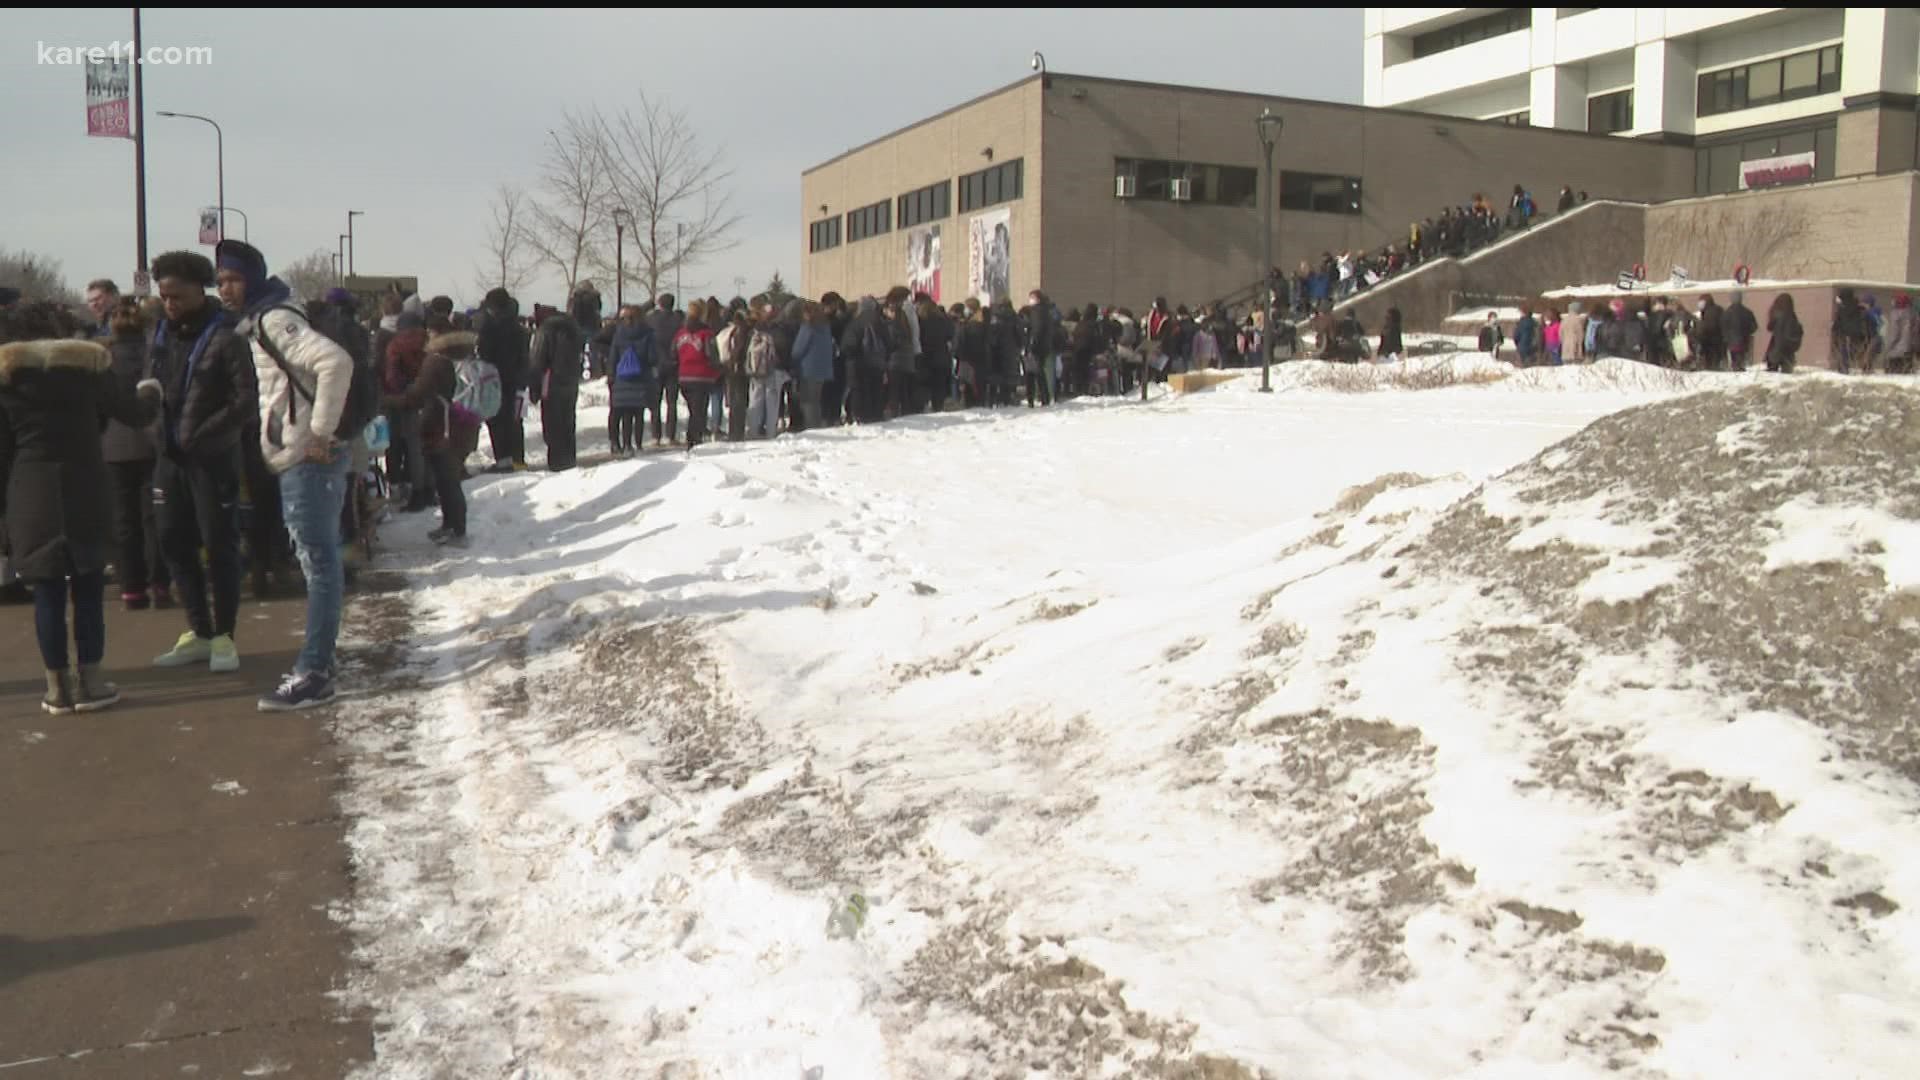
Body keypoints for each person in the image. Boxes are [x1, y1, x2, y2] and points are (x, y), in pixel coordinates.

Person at [1, 301, 165, 712]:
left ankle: (57, 688)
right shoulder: (89, 368)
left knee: (47, 590)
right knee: (89, 584)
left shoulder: (7, 377)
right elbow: (135, 412)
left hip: (30, 487)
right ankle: (92, 681)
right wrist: (151, 389)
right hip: (87, 481)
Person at [215, 239, 357, 711]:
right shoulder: (263, 319)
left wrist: (317, 433)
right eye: (220, 281)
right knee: (320, 561)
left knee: (318, 565)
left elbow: (335, 361)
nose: (225, 289)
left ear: (252, 279)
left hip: (306, 459)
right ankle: (319, 662)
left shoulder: (275, 319)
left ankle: (314, 671)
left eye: (232, 279)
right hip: (299, 456)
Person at [147, 250, 257, 674]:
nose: (169, 303)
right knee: (173, 540)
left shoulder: (227, 334)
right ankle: (200, 630)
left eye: (176, 295)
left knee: (220, 543)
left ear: (199, 289)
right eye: (163, 295)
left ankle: (225, 635)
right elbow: (148, 386)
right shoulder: (158, 334)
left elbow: (244, 400)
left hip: (212, 458)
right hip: (167, 457)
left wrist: (203, 434)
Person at [101, 297, 171, 611]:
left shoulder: (102, 359)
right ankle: (160, 583)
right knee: (154, 518)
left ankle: (131, 587)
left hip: (112, 446)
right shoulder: (155, 354)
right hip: (152, 443)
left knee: (123, 520)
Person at [382, 326, 470, 547]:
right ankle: (452, 525)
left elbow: (417, 394)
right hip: (450, 424)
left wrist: (388, 400)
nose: (427, 338)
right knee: (447, 479)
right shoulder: (452, 359)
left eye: (431, 334)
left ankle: (455, 528)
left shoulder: (435, 362)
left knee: (446, 480)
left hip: (439, 427)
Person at [529, 291, 587, 470]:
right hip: (570, 380)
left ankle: (556, 460)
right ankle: (569, 457)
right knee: (568, 419)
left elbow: (538, 360)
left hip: (551, 381)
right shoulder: (574, 328)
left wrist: (534, 389)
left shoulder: (546, 330)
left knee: (552, 422)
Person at [475, 288, 530, 472]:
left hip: (494, 379)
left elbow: (485, 354)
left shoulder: (490, 328)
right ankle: (518, 458)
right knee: (514, 419)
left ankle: (503, 459)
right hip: (516, 378)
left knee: (497, 419)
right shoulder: (518, 327)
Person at [607, 305, 655, 456]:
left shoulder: (619, 334)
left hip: (622, 379)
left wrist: (611, 376)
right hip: (640, 378)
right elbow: (652, 357)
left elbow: (613, 357)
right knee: (638, 413)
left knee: (624, 413)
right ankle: (637, 444)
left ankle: (625, 444)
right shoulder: (647, 334)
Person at [672, 299, 721, 448]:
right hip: (702, 376)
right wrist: (718, 369)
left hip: (684, 376)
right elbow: (711, 355)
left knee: (693, 409)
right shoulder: (706, 334)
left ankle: (693, 436)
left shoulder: (680, 333)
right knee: (699, 410)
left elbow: (673, 353)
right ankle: (694, 438)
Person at [645, 294, 684, 446]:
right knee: (672, 402)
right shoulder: (678, 321)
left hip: (656, 364)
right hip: (673, 365)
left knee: (656, 402)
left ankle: (656, 435)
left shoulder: (652, 319)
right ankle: (671, 434)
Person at [1764, 293, 1803, 374]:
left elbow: (1770, 328)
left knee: (1772, 378)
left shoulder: (1777, 316)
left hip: (1775, 352)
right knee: (1787, 375)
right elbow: (1790, 335)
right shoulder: (1791, 317)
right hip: (1787, 353)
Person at [1722, 292, 1759, 372]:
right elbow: (1754, 327)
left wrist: (1726, 338)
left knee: (1734, 360)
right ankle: (1740, 370)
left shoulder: (1726, 313)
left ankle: (1736, 371)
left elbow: (1723, 327)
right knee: (1741, 360)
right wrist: (1747, 332)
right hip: (1744, 341)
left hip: (1731, 342)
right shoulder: (1748, 312)